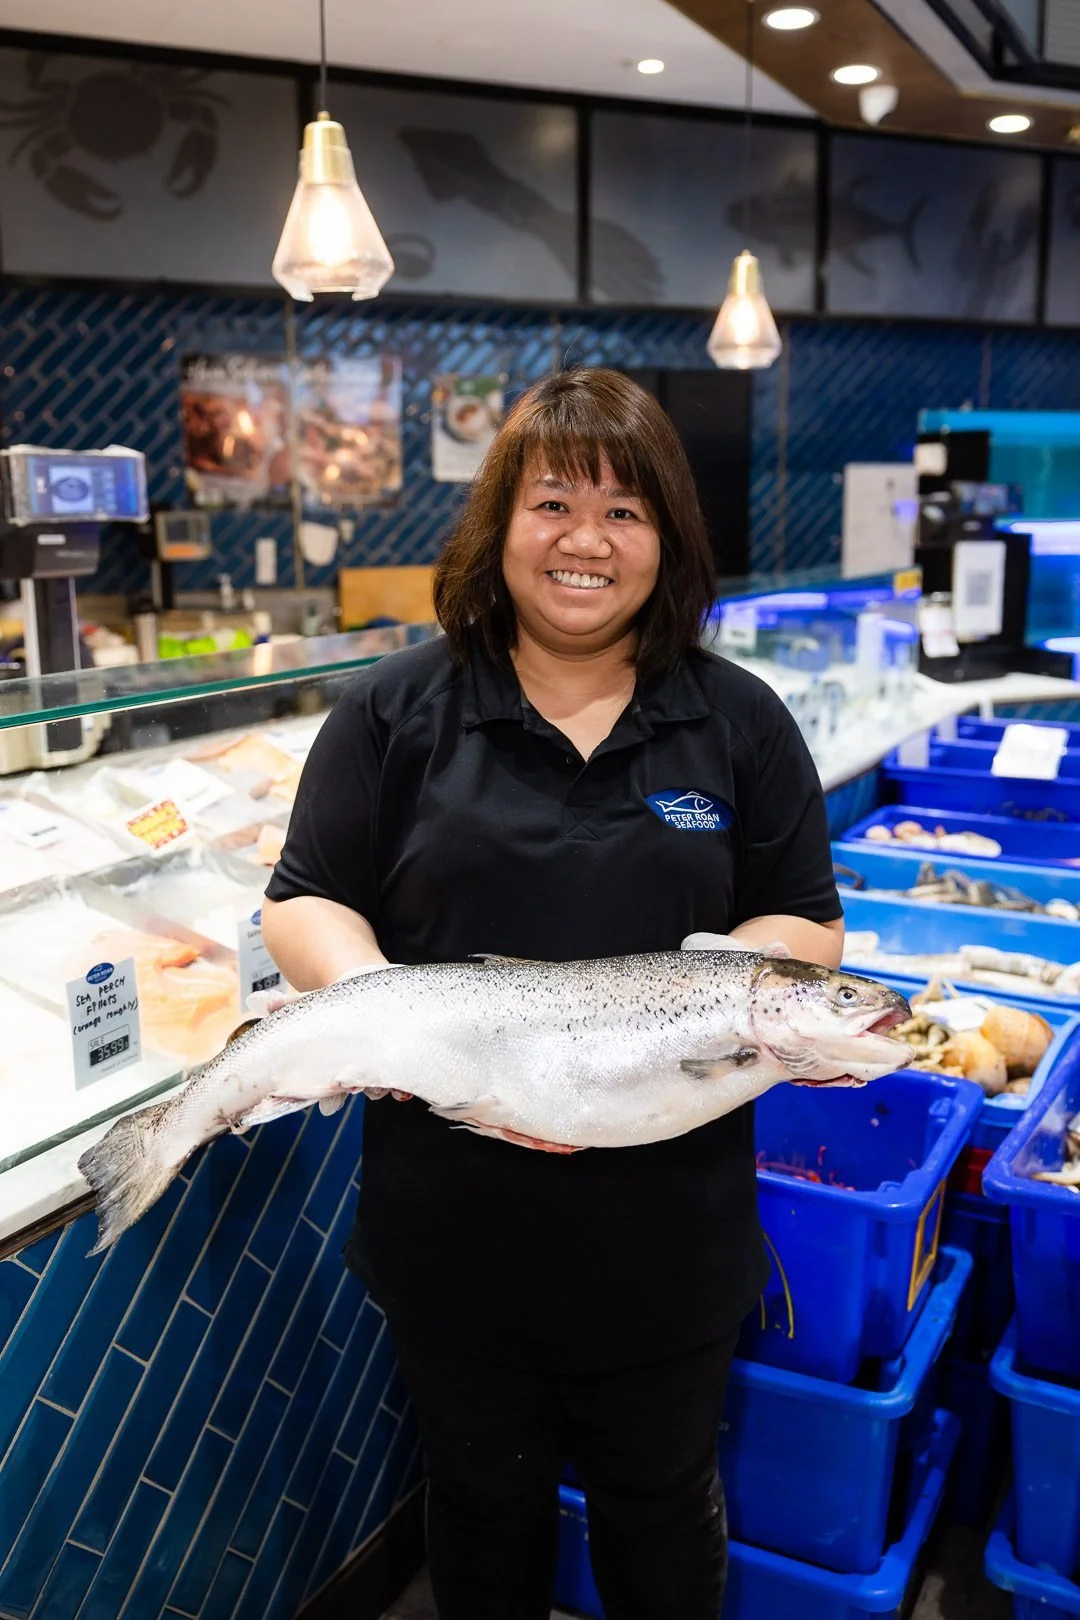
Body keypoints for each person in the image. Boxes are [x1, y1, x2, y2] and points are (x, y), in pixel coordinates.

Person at [261, 366, 843, 1620]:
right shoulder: (393, 710)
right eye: (554, 503)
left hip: (670, 1222)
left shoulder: (737, 719)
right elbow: (303, 895)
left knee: (662, 1501)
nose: (587, 539)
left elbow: (807, 920)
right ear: (498, 526)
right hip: (455, 1222)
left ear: (668, 538)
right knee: (478, 1503)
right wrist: (378, 1011)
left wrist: (742, 996)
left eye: (627, 511)